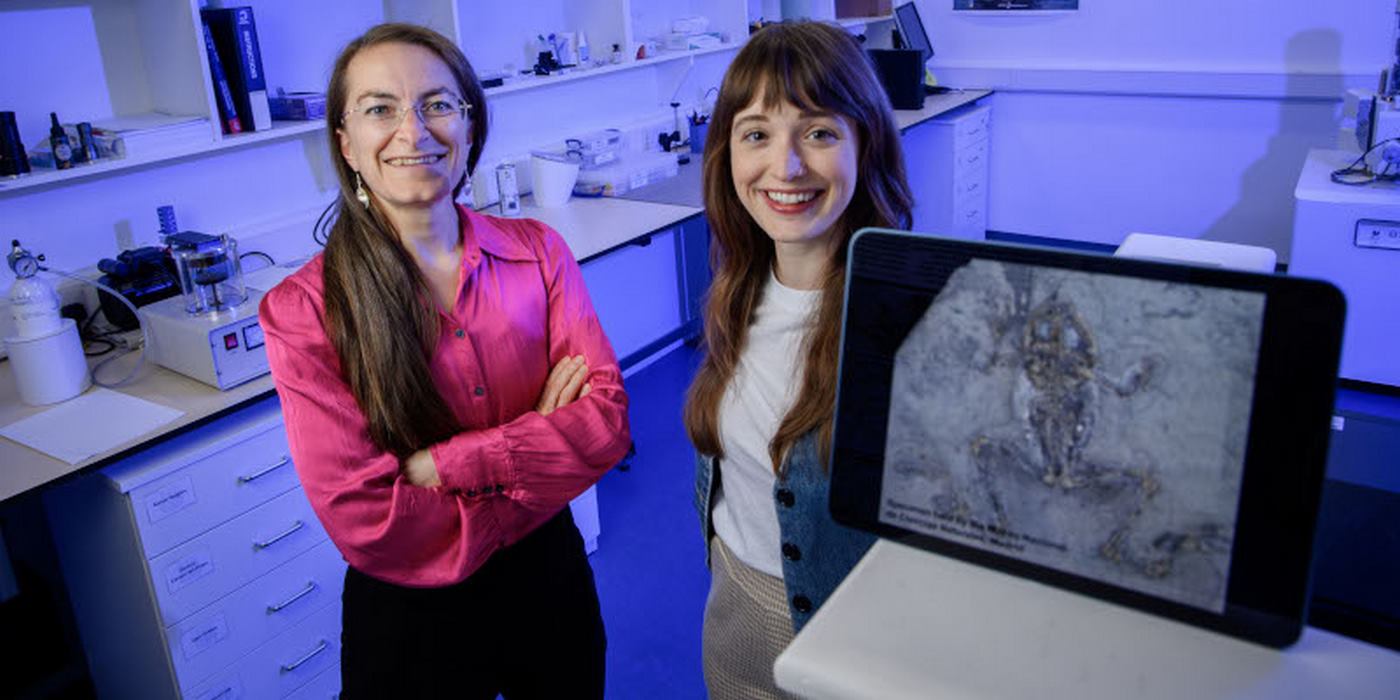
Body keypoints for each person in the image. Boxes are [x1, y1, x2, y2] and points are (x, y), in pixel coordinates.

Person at [258, 23, 630, 699]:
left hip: (549, 582)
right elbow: (366, 518)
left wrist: (451, 464)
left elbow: (605, 424)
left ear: (469, 123)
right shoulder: (304, 311)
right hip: (409, 616)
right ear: (346, 144)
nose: (413, 130)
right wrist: (534, 460)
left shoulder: (539, 254)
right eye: (380, 108)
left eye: (437, 103)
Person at [684, 21, 914, 699]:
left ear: (865, 142)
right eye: (756, 134)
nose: (784, 168)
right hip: (734, 619)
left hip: (857, 642)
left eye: (818, 132)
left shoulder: (913, 322)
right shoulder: (737, 289)